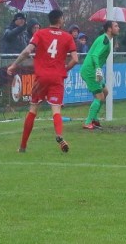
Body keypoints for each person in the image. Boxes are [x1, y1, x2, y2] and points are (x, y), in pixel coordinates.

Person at [7, 9, 78, 153]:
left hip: (41, 78)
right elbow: (75, 59)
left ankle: (23, 147)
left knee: (33, 110)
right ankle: (59, 135)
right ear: (60, 19)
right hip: (57, 78)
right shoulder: (67, 36)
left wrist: (14, 65)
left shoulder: (40, 33)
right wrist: (64, 69)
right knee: (56, 110)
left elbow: (27, 51)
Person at [80, 21, 120, 130]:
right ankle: (88, 122)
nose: (118, 28)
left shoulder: (105, 39)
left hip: (94, 70)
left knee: (105, 92)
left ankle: (94, 119)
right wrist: (98, 68)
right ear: (109, 29)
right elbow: (94, 55)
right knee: (100, 96)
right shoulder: (104, 40)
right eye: (116, 26)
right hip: (90, 70)